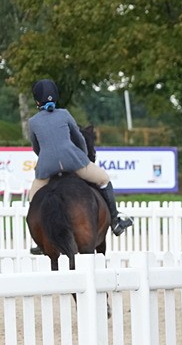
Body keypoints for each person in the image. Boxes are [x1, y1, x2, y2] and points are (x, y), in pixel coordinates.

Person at [26, 79, 133, 244]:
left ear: (36, 100)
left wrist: (46, 158)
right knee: (104, 179)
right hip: (74, 161)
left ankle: (40, 241)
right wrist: (82, 157)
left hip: (46, 167)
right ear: (55, 96)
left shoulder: (32, 122)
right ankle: (115, 221)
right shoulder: (65, 114)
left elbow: (35, 147)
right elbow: (79, 138)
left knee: (33, 199)